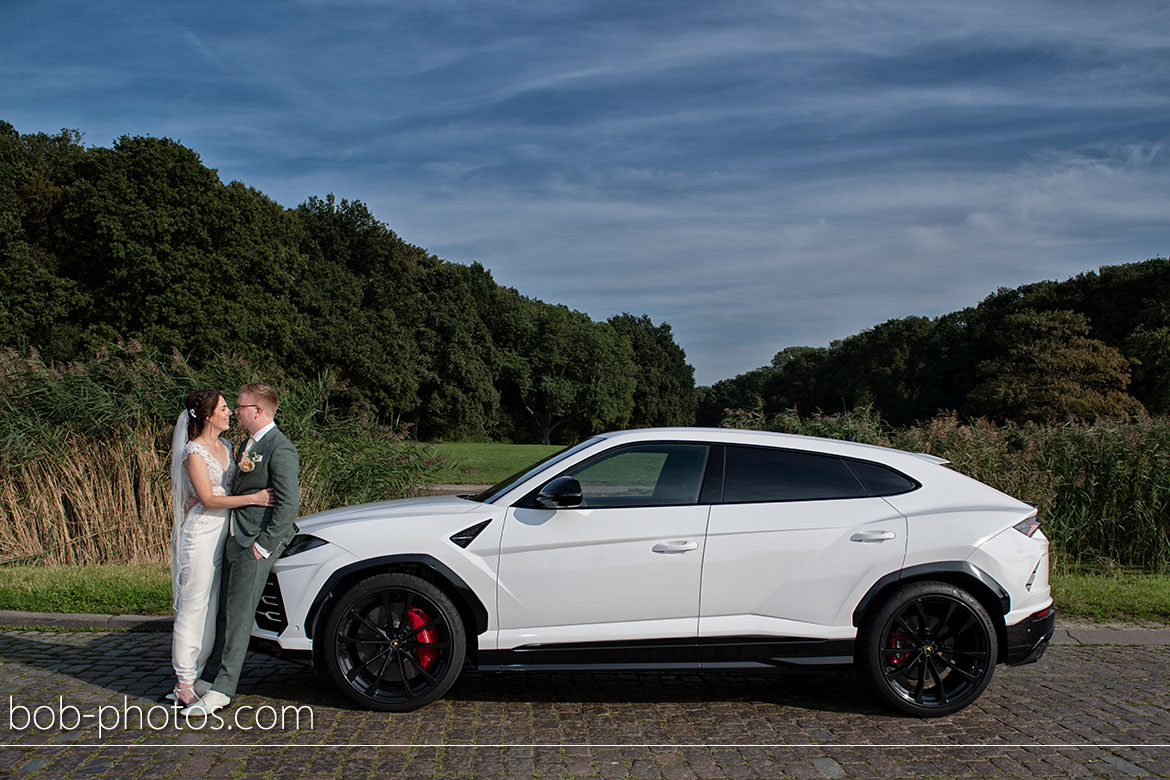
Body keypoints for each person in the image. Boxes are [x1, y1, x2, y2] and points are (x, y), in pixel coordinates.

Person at [184, 383, 300, 717]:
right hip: (235, 537)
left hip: (254, 543)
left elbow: (288, 504)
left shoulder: (280, 448)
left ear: (258, 411)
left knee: (238, 616)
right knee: (223, 611)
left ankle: (223, 689)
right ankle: (207, 679)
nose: (236, 411)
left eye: (241, 406)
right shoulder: (248, 444)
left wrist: (263, 547)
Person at [169, 389, 273, 707]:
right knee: (194, 603)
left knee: (214, 606)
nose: (230, 413)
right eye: (224, 408)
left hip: (225, 534)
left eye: (230, 408)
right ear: (208, 415)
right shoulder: (193, 452)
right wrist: (255, 498)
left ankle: (202, 673)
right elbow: (209, 499)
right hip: (202, 532)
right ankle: (184, 680)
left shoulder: (228, 446)